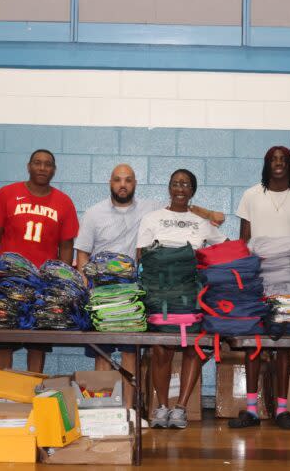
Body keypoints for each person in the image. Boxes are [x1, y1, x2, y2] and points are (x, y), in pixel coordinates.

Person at [74, 163, 224, 406]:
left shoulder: (149, 208)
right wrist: (87, 289)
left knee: (130, 351)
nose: (123, 184)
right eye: (117, 180)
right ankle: (100, 412)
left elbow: (181, 206)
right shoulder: (94, 213)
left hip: (133, 293)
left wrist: (207, 213)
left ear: (135, 184)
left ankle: (128, 411)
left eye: (128, 180)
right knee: (102, 353)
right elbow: (82, 253)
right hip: (102, 295)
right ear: (110, 183)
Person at [230, 146, 290, 430]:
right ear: (266, 165)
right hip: (257, 280)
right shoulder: (251, 195)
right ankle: (252, 410)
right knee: (253, 343)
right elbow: (244, 241)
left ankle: (282, 410)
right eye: (273, 160)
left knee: (283, 343)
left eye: (283, 160)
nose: (278, 164)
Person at [136, 169, 226, 429]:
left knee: (193, 348)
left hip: (191, 296)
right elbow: (141, 257)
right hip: (160, 295)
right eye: (175, 183)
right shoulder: (152, 218)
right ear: (169, 187)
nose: (179, 188)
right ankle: (161, 407)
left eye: (185, 184)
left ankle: (181, 408)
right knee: (160, 349)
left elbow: (222, 247)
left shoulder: (201, 221)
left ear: (192, 190)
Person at [0, 149, 79, 373]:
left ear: (53, 170)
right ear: (29, 166)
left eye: (48, 164)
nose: (42, 168)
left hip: (43, 284)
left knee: (37, 343)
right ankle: (3, 394)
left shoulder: (64, 202)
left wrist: (61, 283)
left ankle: (33, 391)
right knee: (3, 339)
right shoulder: (6, 194)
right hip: (8, 282)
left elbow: (66, 246)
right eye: (37, 163)